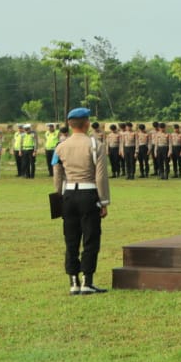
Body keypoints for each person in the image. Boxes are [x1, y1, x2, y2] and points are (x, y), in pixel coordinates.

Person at [52, 107, 111, 295]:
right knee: (90, 239)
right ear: (87, 123)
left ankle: (73, 282)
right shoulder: (95, 145)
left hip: (68, 195)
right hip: (89, 194)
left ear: (69, 124)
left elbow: (57, 174)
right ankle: (87, 281)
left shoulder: (60, 146)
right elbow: (101, 176)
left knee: (71, 240)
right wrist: (104, 202)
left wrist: (58, 197)